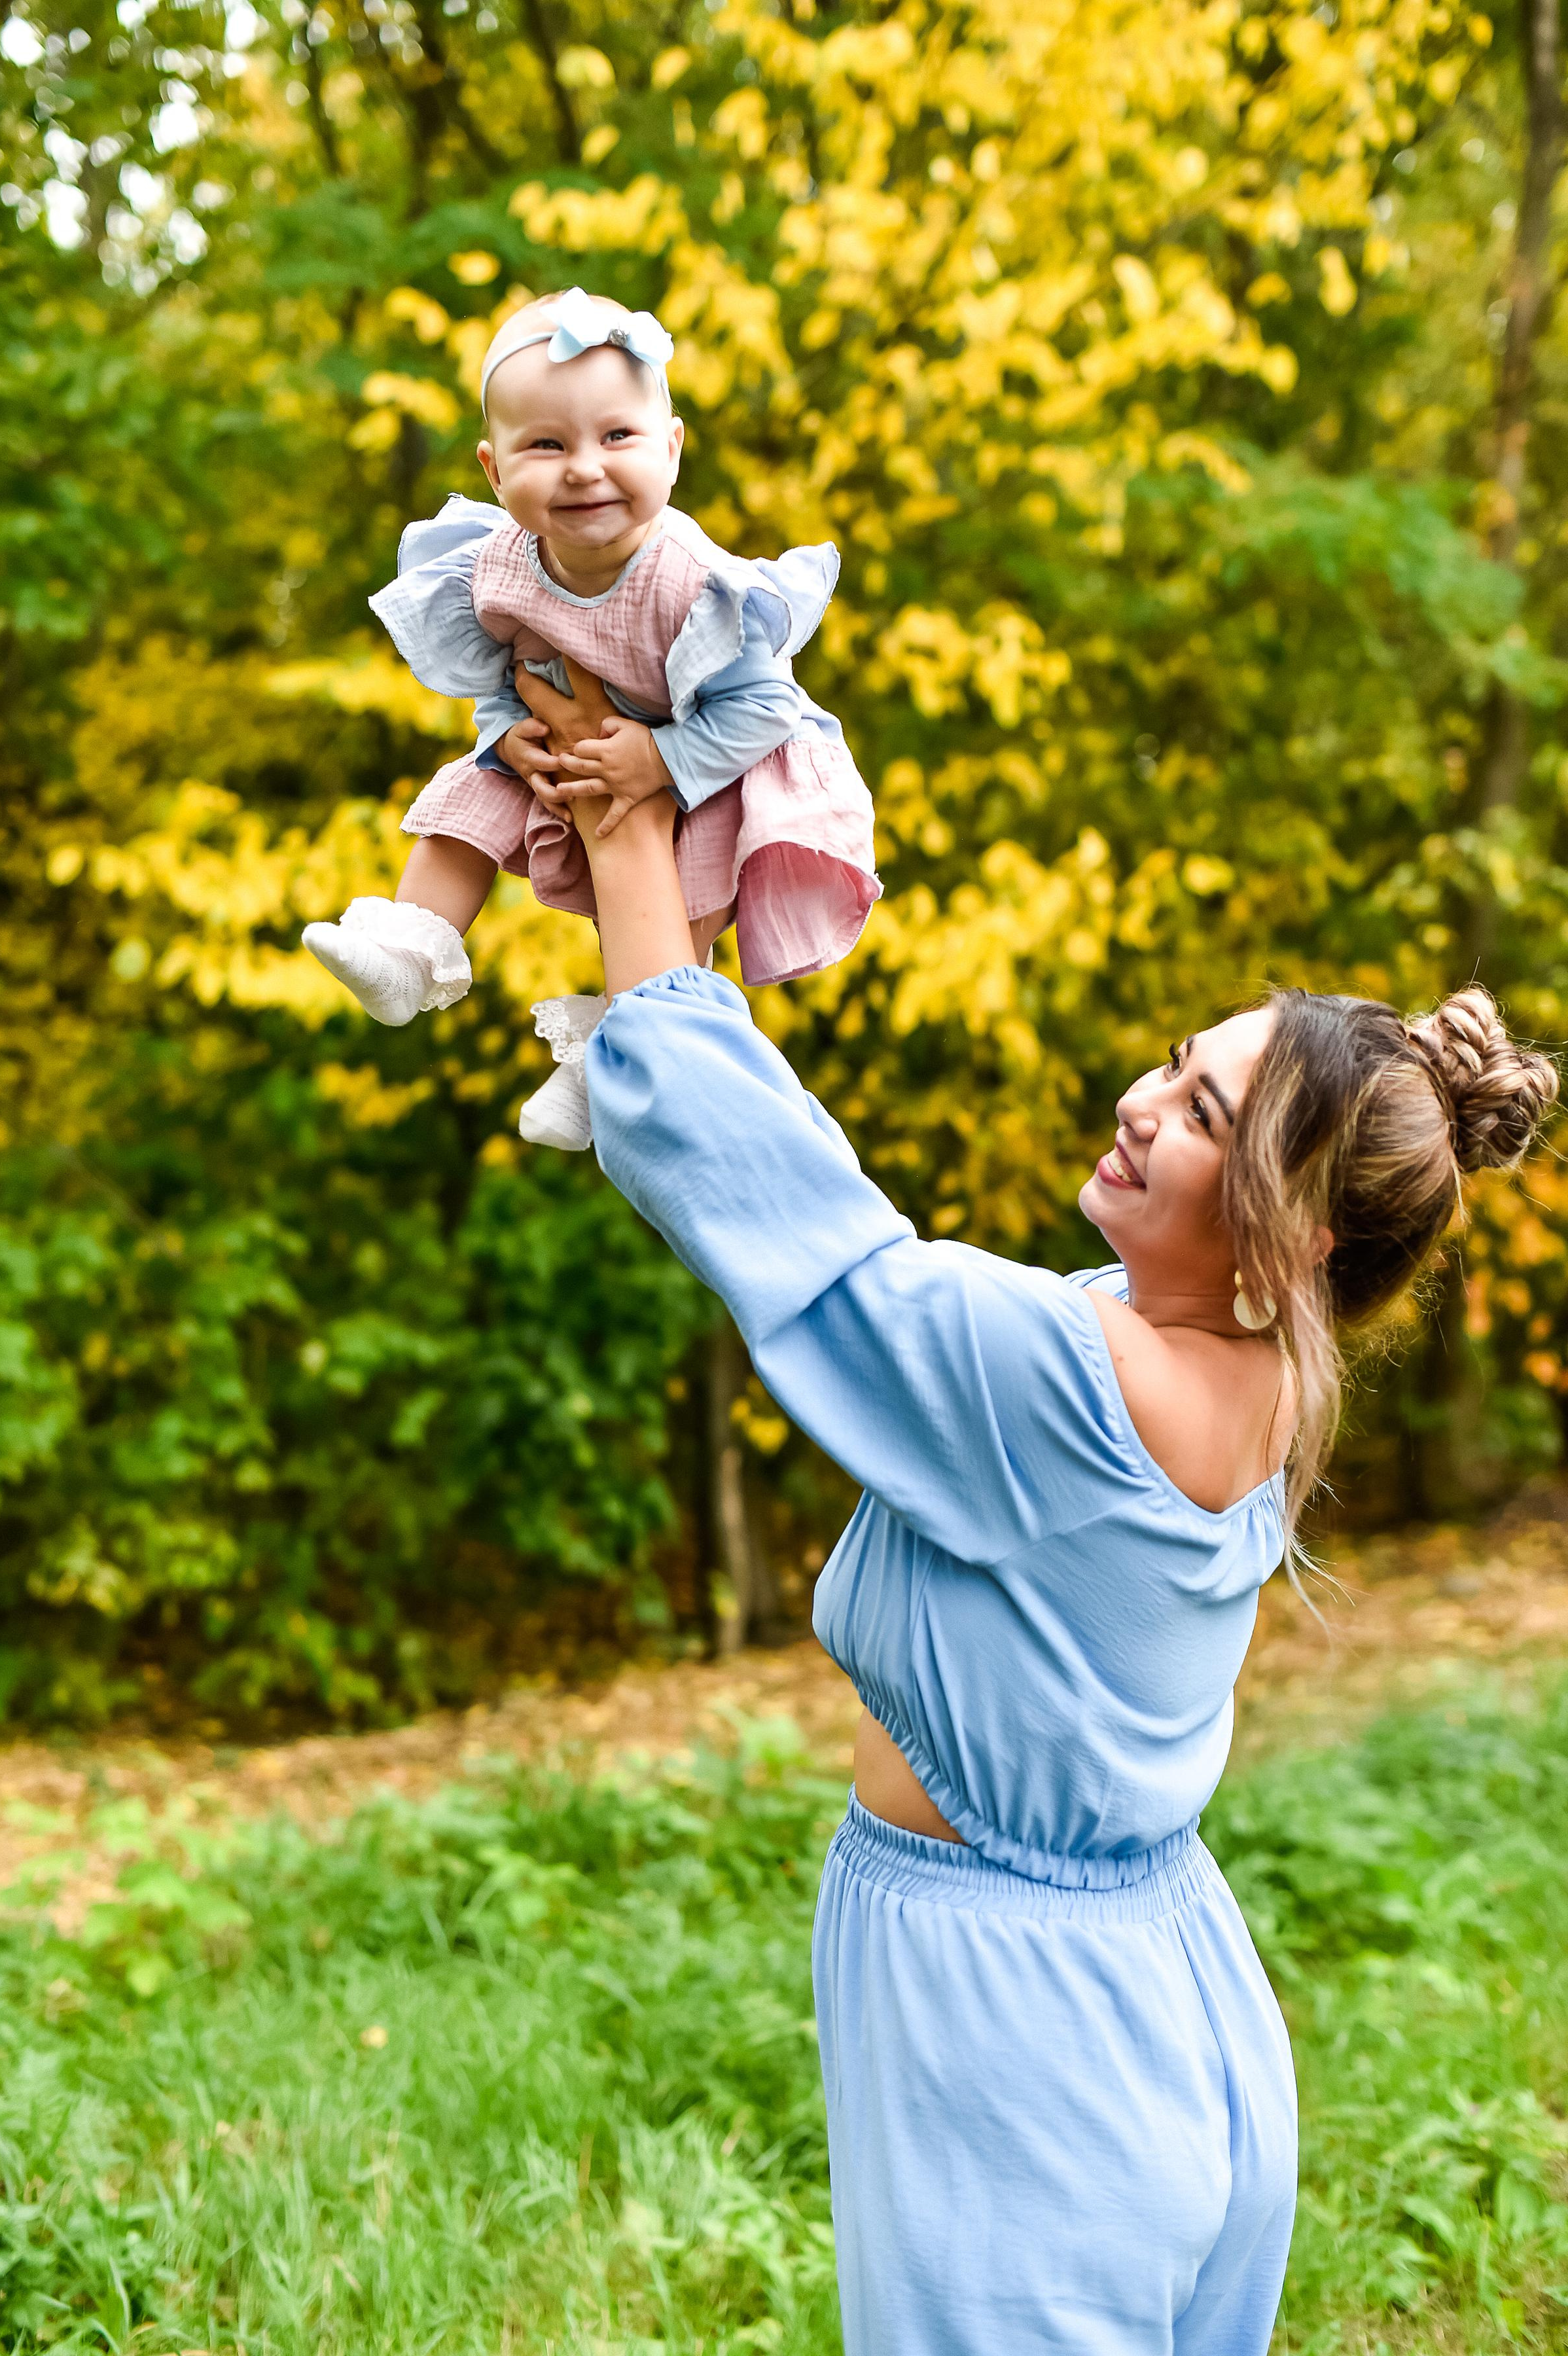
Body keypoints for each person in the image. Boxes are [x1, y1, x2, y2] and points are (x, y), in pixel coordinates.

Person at [518, 694, 1558, 2355]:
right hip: (1158, 2000)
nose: (1148, 1104)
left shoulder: (1076, 1381)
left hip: (1026, 2039)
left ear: (1285, 1243)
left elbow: (801, 1227)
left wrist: (636, 841)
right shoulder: (1265, 1374)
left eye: (1207, 1116)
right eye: (1177, 1065)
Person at [301, 285, 878, 1151]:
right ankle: (411, 952)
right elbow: (504, 671)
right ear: (495, 471)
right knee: (470, 798)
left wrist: (661, 759)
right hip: (568, 753)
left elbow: (768, 706)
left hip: (706, 764)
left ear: (672, 452)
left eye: (617, 437)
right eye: (546, 444)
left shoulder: (691, 582)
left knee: (672, 921)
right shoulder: (496, 566)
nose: (583, 466)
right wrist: (504, 732)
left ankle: (608, 1067)